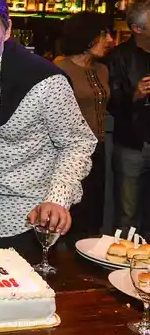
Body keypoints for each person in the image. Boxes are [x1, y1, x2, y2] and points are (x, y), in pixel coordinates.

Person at [0, 0, 96, 259]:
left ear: (8, 30)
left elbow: (78, 143)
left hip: (27, 221)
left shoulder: (44, 81)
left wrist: (57, 199)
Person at [56, 12, 113, 241]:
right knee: (71, 213)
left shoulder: (102, 70)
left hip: (98, 150)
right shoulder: (60, 69)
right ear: (86, 37)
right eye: (103, 35)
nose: (110, 40)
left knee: (93, 214)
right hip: (69, 152)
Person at [107, 0, 150, 237]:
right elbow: (112, 104)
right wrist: (135, 94)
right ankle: (120, 268)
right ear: (137, 28)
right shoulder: (119, 57)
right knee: (128, 216)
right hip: (132, 146)